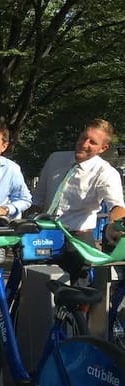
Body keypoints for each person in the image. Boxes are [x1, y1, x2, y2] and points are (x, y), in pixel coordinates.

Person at [31, 118, 125, 280]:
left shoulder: (106, 173)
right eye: (83, 137)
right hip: (43, 235)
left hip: (76, 241)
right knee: (36, 286)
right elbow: (37, 200)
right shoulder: (55, 159)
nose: (84, 144)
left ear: (103, 148)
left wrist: (115, 226)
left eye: (92, 142)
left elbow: (116, 206)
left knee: (76, 295)